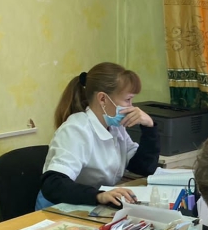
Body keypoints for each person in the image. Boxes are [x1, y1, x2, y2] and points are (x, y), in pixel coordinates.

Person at [35, 62, 160, 209]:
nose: (132, 107)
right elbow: (54, 185)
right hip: (60, 207)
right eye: (127, 100)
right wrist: (98, 196)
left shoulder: (115, 127)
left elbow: (143, 168)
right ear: (102, 99)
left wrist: (149, 127)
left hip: (91, 204)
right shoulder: (76, 129)